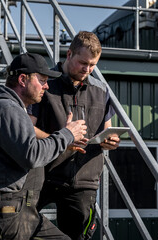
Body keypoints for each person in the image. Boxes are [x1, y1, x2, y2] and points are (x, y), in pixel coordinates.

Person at [0, 52, 88, 240]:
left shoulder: (13, 109)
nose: (46, 86)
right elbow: (31, 154)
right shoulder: (6, 109)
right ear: (23, 79)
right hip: (6, 214)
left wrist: (64, 139)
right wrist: (67, 134)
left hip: (21, 212)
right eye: (42, 80)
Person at [28, 31, 120, 240]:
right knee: (21, 226)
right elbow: (28, 130)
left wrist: (110, 141)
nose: (87, 70)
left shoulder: (102, 90)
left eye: (93, 65)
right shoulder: (45, 84)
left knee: (78, 236)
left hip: (83, 180)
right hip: (43, 175)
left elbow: (108, 128)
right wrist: (62, 139)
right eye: (83, 63)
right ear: (69, 54)